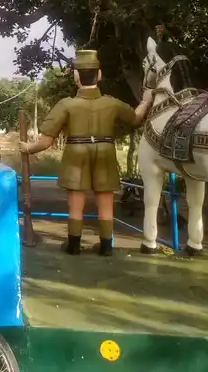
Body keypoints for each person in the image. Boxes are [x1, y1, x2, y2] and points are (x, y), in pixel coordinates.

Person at [18, 50, 153, 256]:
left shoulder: (66, 105)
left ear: (75, 76)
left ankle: (73, 244)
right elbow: (135, 118)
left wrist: (28, 148)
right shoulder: (112, 102)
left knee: (76, 202)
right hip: (105, 153)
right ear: (99, 75)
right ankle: (106, 246)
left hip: (76, 153)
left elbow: (45, 141)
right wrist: (145, 101)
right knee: (105, 201)